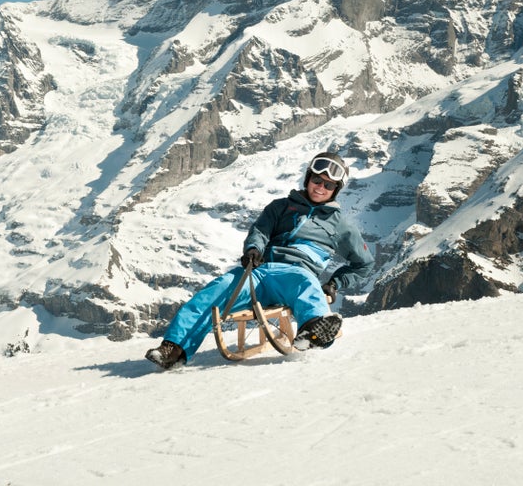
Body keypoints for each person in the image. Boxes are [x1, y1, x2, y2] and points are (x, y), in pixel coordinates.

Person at [146, 152, 374, 370]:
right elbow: (261, 231)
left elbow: (364, 263)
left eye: (329, 185)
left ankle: (313, 332)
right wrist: (253, 249)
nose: (320, 187)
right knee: (218, 289)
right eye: (317, 180)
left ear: (336, 190)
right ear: (308, 178)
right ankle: (174, 349)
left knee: (308, 287)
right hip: (260, 272)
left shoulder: (340, 224)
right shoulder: (280, 207)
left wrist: (335, 283)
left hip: (296, 273)